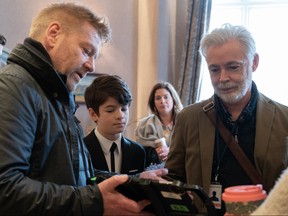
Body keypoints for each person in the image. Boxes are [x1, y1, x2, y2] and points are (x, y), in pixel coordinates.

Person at [0, 3, 167, 215]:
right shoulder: (14, 87)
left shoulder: (55, 97)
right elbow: (5, 189)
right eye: (87, 51)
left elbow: (78, 175)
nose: (92, 66)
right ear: (53, 34)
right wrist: (95, 201)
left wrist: (133, 183)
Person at [164, 23, 288, 215]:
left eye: (233, 67)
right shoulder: (188, 119)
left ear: (254, 62)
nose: (223, 78)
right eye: (214, 70)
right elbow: (173, 179)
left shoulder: (284, 119)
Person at [84, 74, 146, 175]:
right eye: (110, 110)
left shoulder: (137, 152)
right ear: (93, 114)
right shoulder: (82, 150)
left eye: (124, 109)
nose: (120, 116)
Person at [135, 81, 183, 167]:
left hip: (181, 170)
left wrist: (171, 151)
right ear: (153, 103)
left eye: (166, 97)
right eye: (158, 98)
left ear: (173, 99)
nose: (162, 101)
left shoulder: (185, 122)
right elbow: (138, 153)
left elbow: (192, 148)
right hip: (152, 171)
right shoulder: (144, 125)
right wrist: (154, 152)